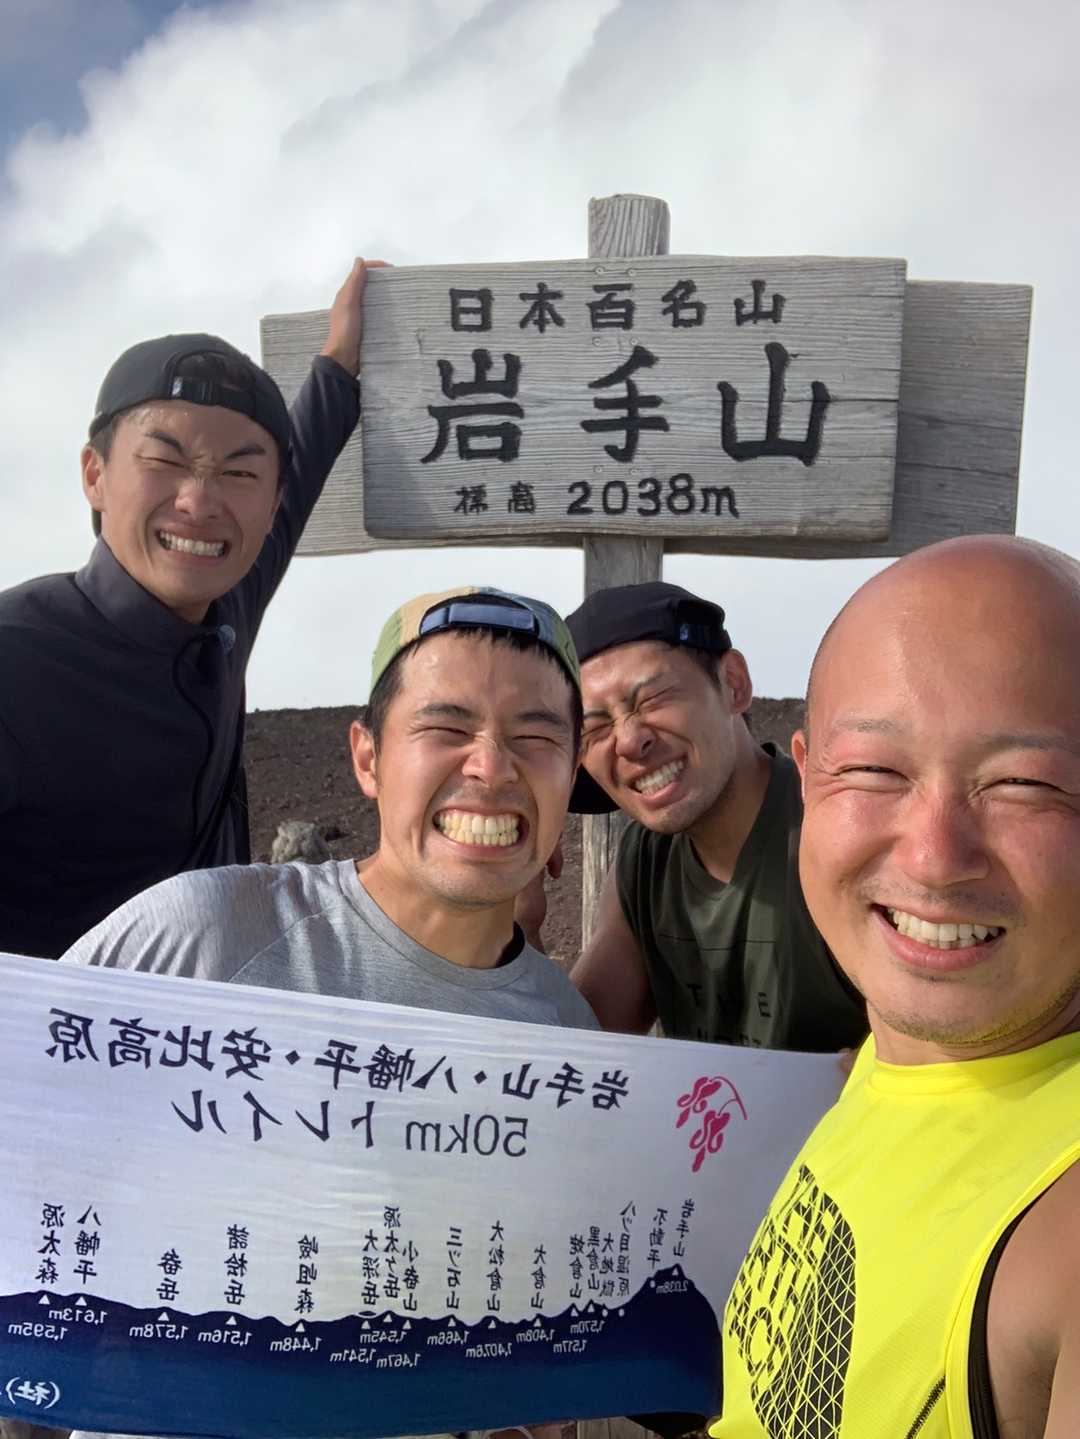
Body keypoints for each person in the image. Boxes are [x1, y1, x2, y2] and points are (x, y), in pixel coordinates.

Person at [58, 586, 594, 1439]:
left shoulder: (565, 1035)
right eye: (446, 726)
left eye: (536, 737)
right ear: (368, 757)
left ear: (573, 769)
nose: (492, 767)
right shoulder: (203, 937)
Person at [712, 536, 1080, 1438]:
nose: (934, 857)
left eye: (1024, 784)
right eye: (876, 770)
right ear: (807, 777)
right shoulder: (889, 1064)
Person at [0, 258, 379, 960]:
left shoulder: (223, 607)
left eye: (239, 472)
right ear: (95, 474)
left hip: (204, 1019)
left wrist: (340, 358)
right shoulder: (16, 657)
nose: (200, 501)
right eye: (165, 462)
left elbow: (297, 476)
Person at [552, 581, 865, 1051]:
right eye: (596, 728)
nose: (630, 741)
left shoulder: (834, 830)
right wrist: (513, 917)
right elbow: (578, 1048)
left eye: (653, 699)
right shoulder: (647, 863)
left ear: (733, 684)